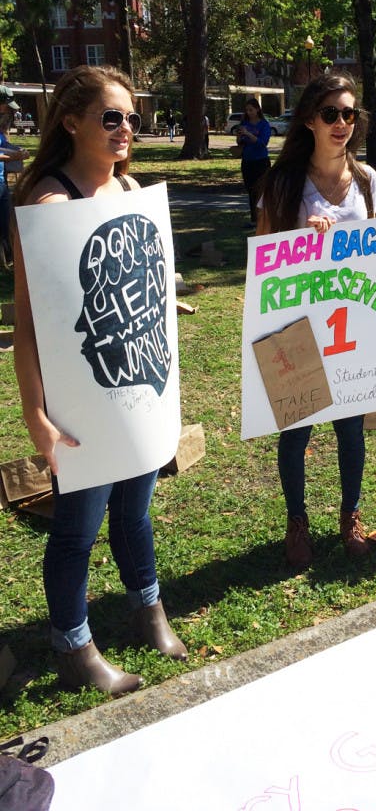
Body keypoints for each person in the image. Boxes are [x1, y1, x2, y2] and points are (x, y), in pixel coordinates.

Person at [13, 65, 187, 696]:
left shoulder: (132, 189)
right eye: (111, 118)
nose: (125, 130)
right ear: (72, 122)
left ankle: (148, 608)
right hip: (79, 398)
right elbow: (29, 326)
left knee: (135, 513)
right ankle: (74, 647)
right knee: (77, 528)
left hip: (137, 385)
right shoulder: (48, 205)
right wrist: (37, 415)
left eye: (132, 118)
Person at [257, 71, 376, 568]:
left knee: (350, 428)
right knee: (296, 429)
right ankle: (296, 522)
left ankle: (351, 517)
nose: (342, 123)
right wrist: (306, 240)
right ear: (309, 121)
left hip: (354, 321)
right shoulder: (283, 185)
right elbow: (263, 265)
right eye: (331, 114)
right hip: (300, 323)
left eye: (349, 113)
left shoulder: (367, 181)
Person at [0, 87, 29, 267]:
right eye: (6, 106)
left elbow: (4, 145)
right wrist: (15, 156)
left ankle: (7, 260)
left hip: (2, 181)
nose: (8, 110)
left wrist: (17, 149)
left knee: (5, 222)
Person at [236, 97, 271, 228]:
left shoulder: (264, 124)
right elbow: (240, 143)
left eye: (251, 109)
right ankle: (254, 219)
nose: (249, 112)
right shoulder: (244, 123)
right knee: (251, 191)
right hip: (247, 161)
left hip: (261, 162)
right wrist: (239, 137)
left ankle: (265, 219)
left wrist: (249, 134)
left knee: (262, 191)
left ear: (257, 109)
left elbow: (263, 143)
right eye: (247, 110)